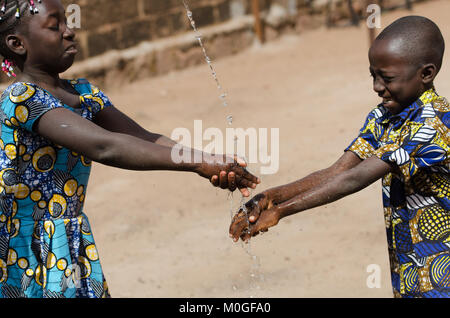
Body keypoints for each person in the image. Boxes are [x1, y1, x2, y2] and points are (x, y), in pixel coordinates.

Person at [0, 0, 260, 298]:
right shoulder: (21, 99)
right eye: (54, 25)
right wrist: (196, 165)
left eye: (68, 23)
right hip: (22, 250)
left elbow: (143, 137)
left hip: (64, 239)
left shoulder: (83, 93)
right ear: (17, 44)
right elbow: (105, 146)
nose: (69, 31)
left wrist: (209, 160)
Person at [229, 15, 449, 298]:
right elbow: (338, 171)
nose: (377, 87)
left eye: (387, 78)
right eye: (373, 75)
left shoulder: (435, 124)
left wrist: (281, 211)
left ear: (426, 74)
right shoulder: (383, 116)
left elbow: (356, 178)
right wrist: (271, 197)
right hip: (410, 269)